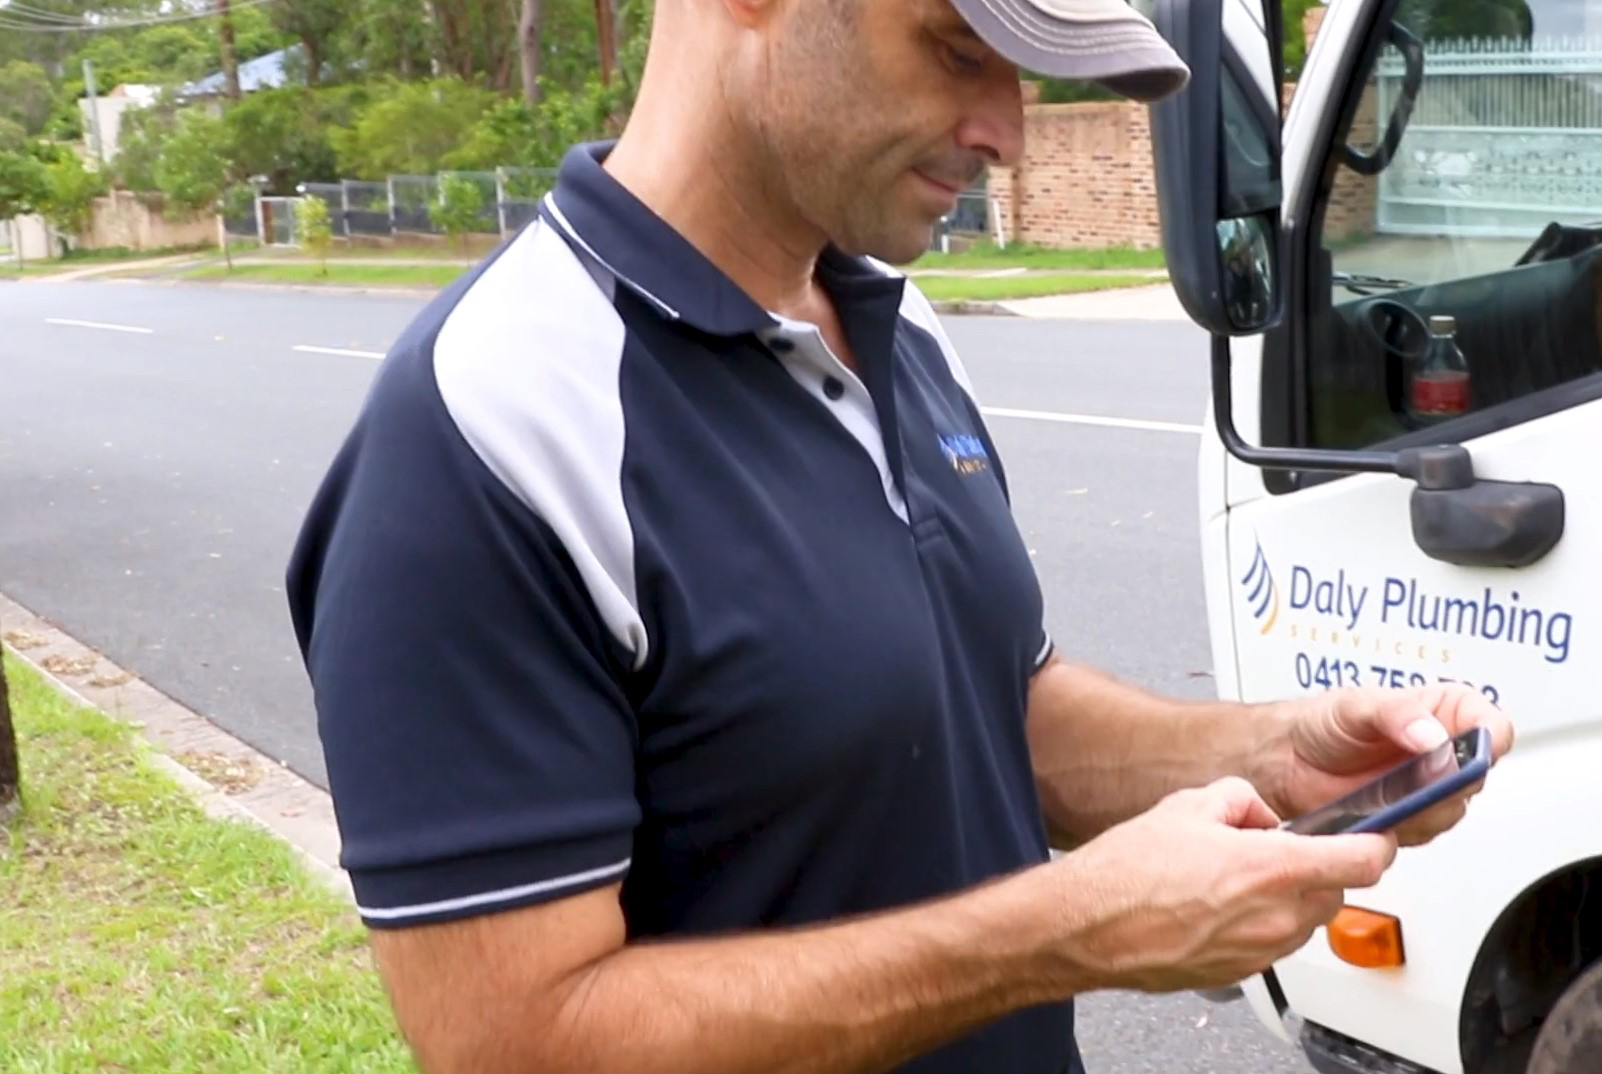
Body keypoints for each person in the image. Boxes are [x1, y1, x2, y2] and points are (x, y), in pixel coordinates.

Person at [283, 0, 1515, 1072]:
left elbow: (995, 713)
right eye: (956, 46)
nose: (1008, 133)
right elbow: (514, 1043)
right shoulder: (488, 424)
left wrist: (1272, 760)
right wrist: (1056, 935)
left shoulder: (900, 324)